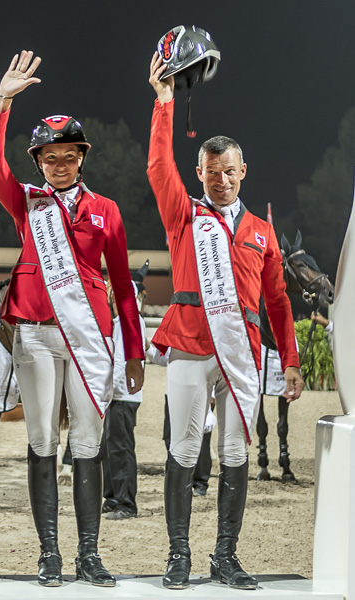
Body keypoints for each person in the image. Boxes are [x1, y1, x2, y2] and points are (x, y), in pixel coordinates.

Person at [0, 51, 144, 587]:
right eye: (49, 158)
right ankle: (49, 553)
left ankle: (88, 553)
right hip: (34, 335)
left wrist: (134, 352)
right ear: (39, 162)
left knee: (88, 442)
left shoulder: (107, 210)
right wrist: (1, 103)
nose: (59, 165)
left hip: (89, 336)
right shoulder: (26, 203)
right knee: (42, 441)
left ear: (81, 157)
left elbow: (123, 287)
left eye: (68, 156)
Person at [147, 52, 304, 590]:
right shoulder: (184, 214)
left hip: (243, 353)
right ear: (200, 174)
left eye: (229, 171)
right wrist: (164, 102)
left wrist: (291, 361)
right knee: (184, 450)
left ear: (243, 172)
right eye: (211, 172)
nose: (221, 180)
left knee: (235, 452)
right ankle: (178, 556)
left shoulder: (262, 231)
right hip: (191, 346)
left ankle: (225, 556)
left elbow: (278, 302)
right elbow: (158, 167)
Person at [101, 268, 150, 521]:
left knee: (121, 449)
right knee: (110, 448)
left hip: (122, 394)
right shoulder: (121, 322)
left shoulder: (129, 322)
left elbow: (122, 360)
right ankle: (112, 496)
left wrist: (114, 390)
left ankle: (126, 503)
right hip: (117, 395)